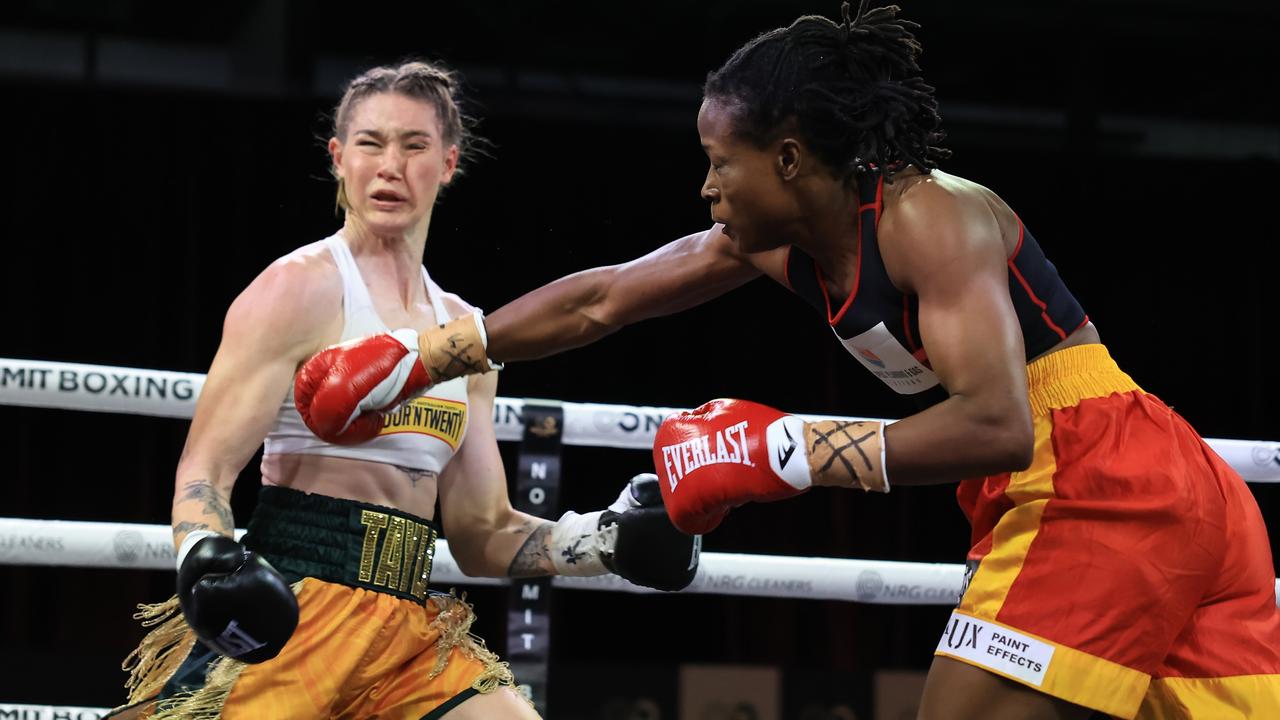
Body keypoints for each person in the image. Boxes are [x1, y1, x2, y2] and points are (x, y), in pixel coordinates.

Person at [296, 4, 1280, 719]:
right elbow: (600, 299)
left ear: (791, 158)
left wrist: (785, 451)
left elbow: (997, 423)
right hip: (1125, 489)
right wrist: (418, 358)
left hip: (1093, 476)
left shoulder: (931, 217)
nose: (706, 183)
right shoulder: (770, 243)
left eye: (722, 160)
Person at [106, 60, 699, 720]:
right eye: (370, 143)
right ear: (338, 158)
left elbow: (482, 533)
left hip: (408, 634)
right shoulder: (297, 288)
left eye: (413, 145)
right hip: (297, 606)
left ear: (448, 163)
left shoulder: (467, 335)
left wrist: (604, 543)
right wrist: (206, 558)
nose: (390, 165)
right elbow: (204, 472)